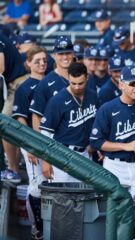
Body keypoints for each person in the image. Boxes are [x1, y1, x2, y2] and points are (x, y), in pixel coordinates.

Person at [90, 65, 135, 196]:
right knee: (117, 210)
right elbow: (96, 142)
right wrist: (125, 146)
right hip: (115, 166)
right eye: (133, 83)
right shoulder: (107, 108)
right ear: (121, 85)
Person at [11, 46, 47, 240]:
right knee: (36, 186)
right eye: (37, 61)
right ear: (28, 63)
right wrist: (30, 145)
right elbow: (20, 119)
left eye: (44, 60)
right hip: (32, 142)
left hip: (53, 142)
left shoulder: (53, 83)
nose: (42, 64)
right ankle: (37, 229)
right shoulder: (24, 87)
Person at [39, 62, 97, 182]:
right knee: (61, 198)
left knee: (84, 195)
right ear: (69, 78)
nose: (76, 87)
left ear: (87, 78)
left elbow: (97, 123)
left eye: (80, 83)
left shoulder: (92, 95)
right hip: (62, 153)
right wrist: (45, 160)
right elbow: (45, 133)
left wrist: (94, 143)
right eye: (73, 83)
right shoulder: (57, 100)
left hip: (85, 154)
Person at [29, 36, 74, 141]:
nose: (65, 57)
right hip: (56, 143)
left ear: (73, 54)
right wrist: (40, 145)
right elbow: (37, 115)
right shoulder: (45, 83)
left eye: (67, 53)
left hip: (81, 144)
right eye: (61, 54)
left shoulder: (84, 78)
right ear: (54, 55)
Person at [0, 31, 27, 183]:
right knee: (13, 127)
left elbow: (0, 67)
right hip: (15, 83)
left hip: (17, 84)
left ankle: (13, 170)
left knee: (5, 125)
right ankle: (14, 166)